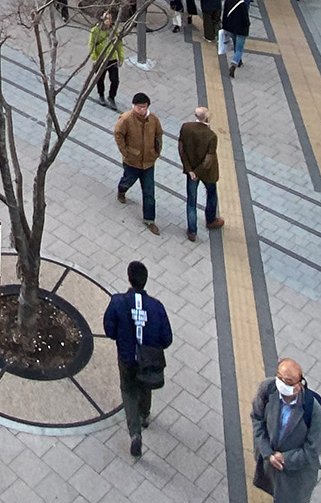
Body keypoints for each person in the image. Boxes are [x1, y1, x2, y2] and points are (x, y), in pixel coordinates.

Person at [102, 261, 172, 456]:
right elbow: (167, 338)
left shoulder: (118, 302)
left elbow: (109, 329)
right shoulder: (157, 307)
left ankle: (135, 433)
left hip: (127, 356)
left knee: (128, 390)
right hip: (149, 358)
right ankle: (144, 414)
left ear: (129, 278)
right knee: (145, 384)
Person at [250, 359, 321, 502]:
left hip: (295, 474)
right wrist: (268, 453)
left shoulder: (313, 411)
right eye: (279, 377)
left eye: (288, 381)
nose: (282, 383)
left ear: (299, 385)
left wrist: (285, 458)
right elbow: (257, 419)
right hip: (268, 462)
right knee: (271, 487)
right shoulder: (268, 389)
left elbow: (313, 449)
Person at [115, 92, 162, 234]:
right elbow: (118, 134)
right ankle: (121, 190)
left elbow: (159, 134)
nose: (142, 110)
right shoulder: (126, 119)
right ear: (134, 106)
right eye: (140, 107)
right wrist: (126, 152)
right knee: (128, 180)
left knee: (149, 191)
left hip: (148, 161)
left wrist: (156, 151)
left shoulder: (153, 119)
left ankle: (149, 219)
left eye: (145, 107)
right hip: (132, 161)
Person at [178, 106, 225, 242]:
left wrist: (190, 170)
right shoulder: (211, 136)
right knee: (211, 193)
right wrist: (197, 172)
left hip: (191, 170)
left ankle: (192, 231)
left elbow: (181, 149)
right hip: (207, 172)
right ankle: (211, 220)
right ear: (207, 118)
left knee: (191, 200)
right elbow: (208, 159)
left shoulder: (186, 127)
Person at [89, 9, 122, 110]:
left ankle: (111, 97)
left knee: (115, 80)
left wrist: (121, 57)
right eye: (106, 18)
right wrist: (94, 58)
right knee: (100, 78)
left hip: (112, 58)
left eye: (110, 19)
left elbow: (119, 45)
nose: (108, 21)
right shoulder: (95, 31)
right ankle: (101, 95)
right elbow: (91, 45)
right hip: (101, 58)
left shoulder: (115, 31)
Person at [222, 0, 251, 77]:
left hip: (231, 28)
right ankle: (234, 63)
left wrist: (225, 27)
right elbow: (246, 19)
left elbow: (224, 16)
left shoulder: (227, 2)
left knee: (235, 44)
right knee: (239, 48)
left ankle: (239, 60)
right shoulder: (243, 5)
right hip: (241, 30)